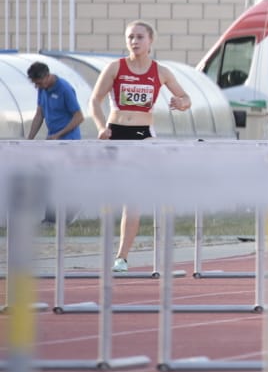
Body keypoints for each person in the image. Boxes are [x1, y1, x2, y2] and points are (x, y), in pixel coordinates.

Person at [88, 21, 194, 272]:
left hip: (143, 134)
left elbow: (186, 98)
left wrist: (181, 104)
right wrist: (101, 127)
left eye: (139, 37)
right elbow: (95, 99)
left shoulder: (161, 71)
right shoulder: (115, 68)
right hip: (116, 133)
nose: (134, 41)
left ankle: (121, 257)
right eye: (130, 37)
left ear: (150, 41)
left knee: (132, 199)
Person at [28, 61, 84, 141]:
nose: (37, 86)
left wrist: (58, 134)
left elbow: (79, 117)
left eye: (39, 83)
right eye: (35, 84)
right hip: (52, 137)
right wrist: (29, 139)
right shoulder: (42, 89)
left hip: (69, 139)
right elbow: (39, 115)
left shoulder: (64, 89)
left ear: (47, 76)